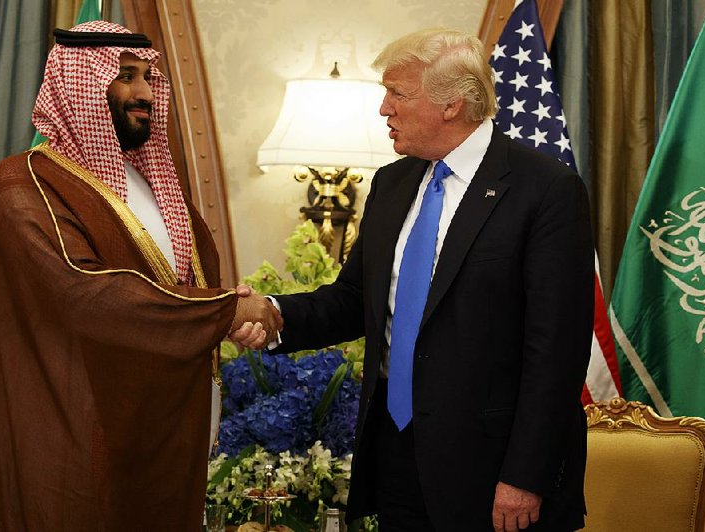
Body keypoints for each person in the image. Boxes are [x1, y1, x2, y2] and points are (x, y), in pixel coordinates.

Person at [235, 28, 594, 531]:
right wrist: (270, 314)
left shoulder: (546, 191)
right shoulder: (393, 182)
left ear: (452, 105)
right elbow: (353, 300)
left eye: (397, 94)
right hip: (396, 452)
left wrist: (525, 476)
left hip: (493, 470)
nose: (383, 109)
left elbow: (556, 352)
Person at [0, 21, 280, 531]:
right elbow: (85, 292)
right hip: (68, 435)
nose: (143, 92)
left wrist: (229, 313)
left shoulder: (156, 185)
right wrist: (228, 309)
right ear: (80, 87)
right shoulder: (21, 185)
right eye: (124, 76)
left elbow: (189, 281)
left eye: (147, 77)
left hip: (157, 438)